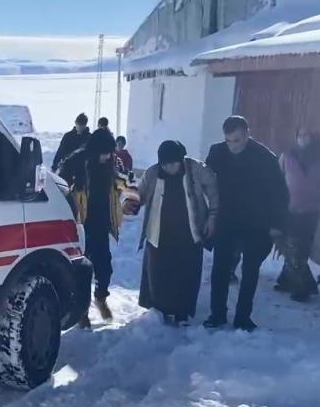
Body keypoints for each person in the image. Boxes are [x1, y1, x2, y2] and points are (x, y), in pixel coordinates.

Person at [204, 116, 289, 331]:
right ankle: (217, 314)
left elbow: (280, 194)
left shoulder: (265, 158)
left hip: (256, 222)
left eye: (237, 140)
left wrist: (276, 224)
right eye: (229, 140)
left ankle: (243, 317)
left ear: (247, 135)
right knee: (220, 267)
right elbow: (206, 183)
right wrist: (208, 214)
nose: (233, 145)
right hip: (227, 219)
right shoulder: (217, 152)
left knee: (250, 270)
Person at [130, 141, 219, 326]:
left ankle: (182, 313)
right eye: (165, 164)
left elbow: (213, 190)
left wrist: (212, 216)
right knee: (159, 274)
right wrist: (131, 203)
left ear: (181, 159)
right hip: (160, 232)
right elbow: (140, 194)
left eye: (173, 163)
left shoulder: (196, 169)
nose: (169, 167)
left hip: (189, 231)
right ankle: (161, 310)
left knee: (187, 273)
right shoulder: (153, 173)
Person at [59, 128, 126, 323]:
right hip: (81, 226)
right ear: (95, 150)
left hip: (101, 224)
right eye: (105, 152)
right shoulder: (76, 162)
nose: (108, 156)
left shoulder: (110, 164)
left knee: (105, 268)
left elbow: (120, 184)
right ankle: (82, 312)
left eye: (110, 153)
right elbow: (61, 187)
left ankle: (101, 298)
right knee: (83, 271)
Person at [276, 128, 320, 302]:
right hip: (289, 209)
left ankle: (300, 284)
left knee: (300, 248)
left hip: (311, 211)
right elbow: (278, 179)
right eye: (300, 135)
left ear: (313, 138)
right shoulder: (287, 157)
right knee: (290, 245)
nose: (302, 138)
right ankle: (293, 281)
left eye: (306, 135)